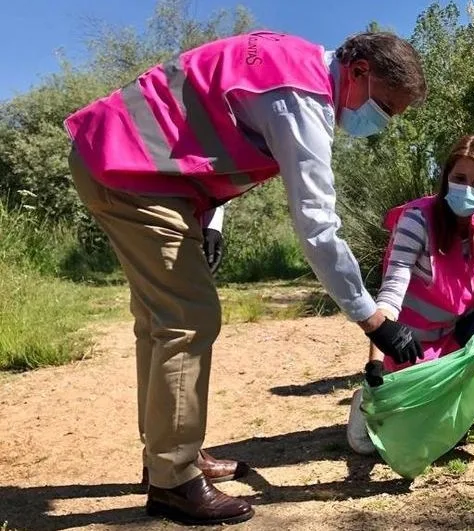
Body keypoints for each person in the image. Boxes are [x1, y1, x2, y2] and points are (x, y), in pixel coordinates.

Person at [65, 31, 427, 525]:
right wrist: (371, 320)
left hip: (127, 160)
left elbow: (202, 125)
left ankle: (171, 456)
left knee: (159, 319)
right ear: (359, 70)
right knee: (187, 317)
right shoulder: (302, 100)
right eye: (384, 107)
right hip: (129, 170)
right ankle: (173, 480)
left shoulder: (288, 62)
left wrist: (211, 219)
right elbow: (318, 228)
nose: (380, 123)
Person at [346, 135, 474, 454]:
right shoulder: (417, 219)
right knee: (464, 431)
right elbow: (391, 292)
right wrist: (375, 363)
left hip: (461, 336)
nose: (468, 189)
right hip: (414, 345)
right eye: (459, 179)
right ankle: (369, 403)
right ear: (445, 178)